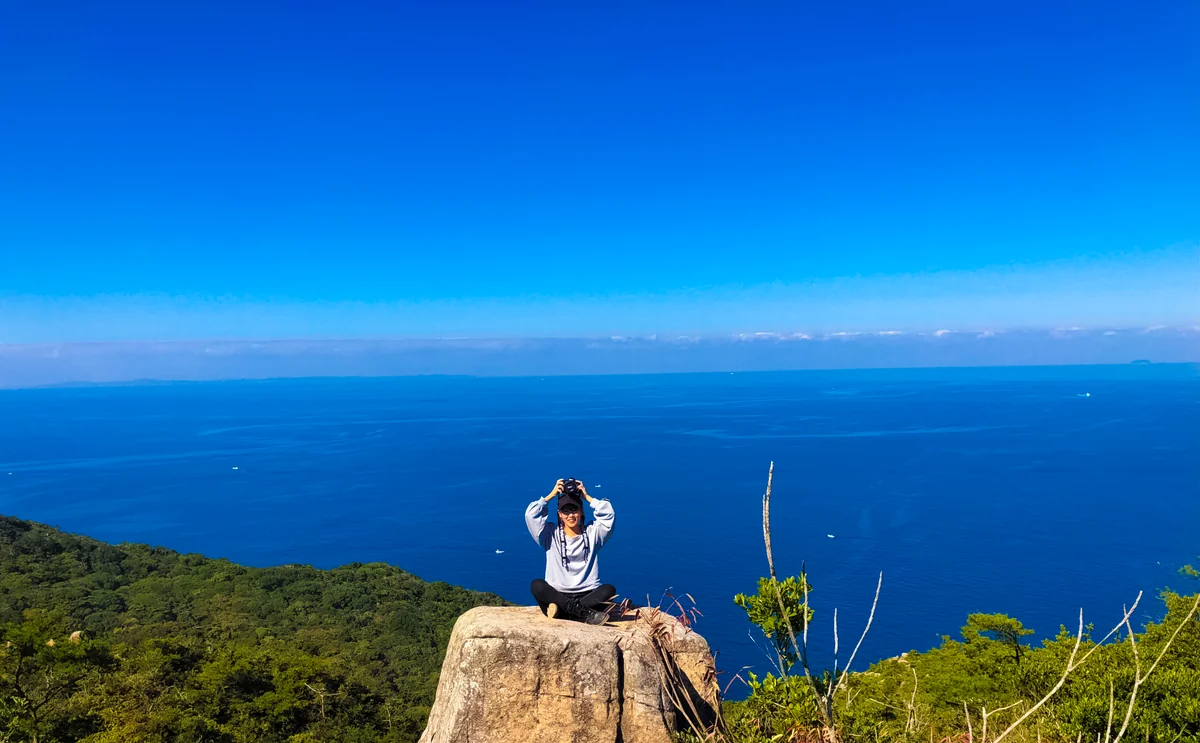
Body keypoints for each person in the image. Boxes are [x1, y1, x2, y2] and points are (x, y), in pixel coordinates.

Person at [525, 478, 616, 625]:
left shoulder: (593, 534)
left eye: (574, 510)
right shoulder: (549, 535)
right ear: (559, 514)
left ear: (581, 512)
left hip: (587, 593)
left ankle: (564, 613)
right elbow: (531, 515)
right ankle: (583, 613)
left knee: (609, 589)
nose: (570, 515)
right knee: (537, 585)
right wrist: (551, 495)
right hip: (556, 594)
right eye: (565, 511)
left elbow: (609, 514)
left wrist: (587, 497)